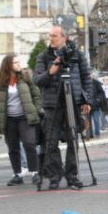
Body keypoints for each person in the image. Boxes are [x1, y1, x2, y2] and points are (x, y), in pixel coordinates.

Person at [34, 26, 92, 190]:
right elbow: (37, 80)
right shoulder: (43, 57)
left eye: (54, 36)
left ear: (64, 38)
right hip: (52, 104)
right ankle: (55, 176)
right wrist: (51, 71)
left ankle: (72, 176)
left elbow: (86, 78)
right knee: (51, 142)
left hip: (72, 101)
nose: (51, 39)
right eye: (50, 36)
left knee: (73, 139)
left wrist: (87, 100)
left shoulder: (77, 55)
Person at [0, 54, 43, 186]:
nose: (19, 64)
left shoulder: (25, 77)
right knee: (13, 147)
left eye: (19, 62)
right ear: (8, 65)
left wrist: (35, 110)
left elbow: (36, 94)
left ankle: (35, 172)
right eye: (15, 62)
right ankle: (17, 175)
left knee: (29, 143)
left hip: (25, 117)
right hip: (9, 119)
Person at [88, 74, 106, 138]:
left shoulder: (96, 83)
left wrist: (98, 100)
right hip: (87, 104)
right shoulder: (84, 83)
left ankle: (97, 133)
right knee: (88, 121)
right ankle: (90, 134)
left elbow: (101, 93)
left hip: (95, 105)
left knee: (96, 120)